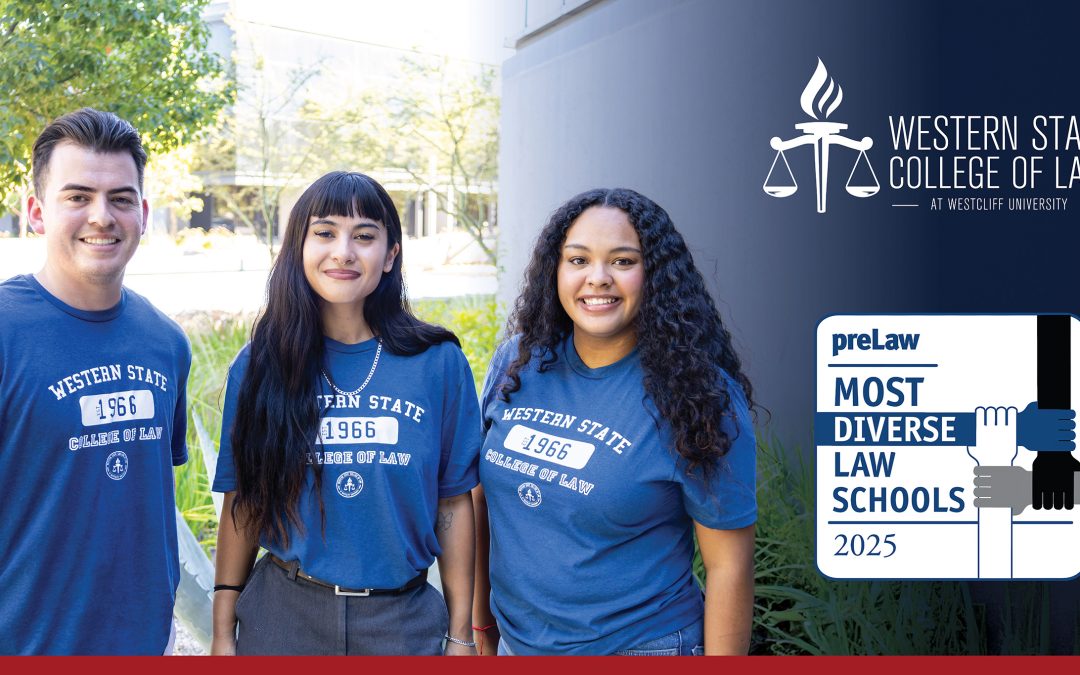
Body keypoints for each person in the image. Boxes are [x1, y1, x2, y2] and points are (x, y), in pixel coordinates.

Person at [473, 188, 757, 655]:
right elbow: (483, 499)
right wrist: (480, 624)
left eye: (623, 261)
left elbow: (729, 567)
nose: (597, 278)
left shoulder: (697, 394)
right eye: (578, 260)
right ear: (555, 270)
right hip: (517, 646)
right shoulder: (519, 361)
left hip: (641, 647)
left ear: (656, 275)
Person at [211, 171, 480, 656]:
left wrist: (461, 635)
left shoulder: (438, 364)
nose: (344, 252)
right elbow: (244, 501)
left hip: (403, 623)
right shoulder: (260, 366)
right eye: (325, 232)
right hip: (283, 619)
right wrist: (220, 631)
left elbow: (453, 503)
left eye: (364, 236)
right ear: (299, 246)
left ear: (391, 254)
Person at [0, 108, 191, 654]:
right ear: (36, 212)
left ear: (144, 212)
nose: (102, 216)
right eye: (77, 196)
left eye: (121, 198)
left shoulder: (166, 342)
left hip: (144, 645)